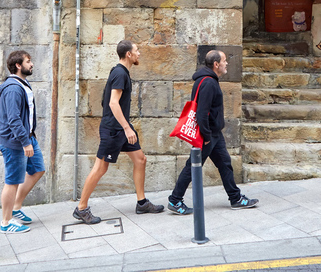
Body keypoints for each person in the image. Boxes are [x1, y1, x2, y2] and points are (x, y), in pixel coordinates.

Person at [73, 40, 165, 224]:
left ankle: (142, 202)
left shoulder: (121, 72)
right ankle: (81, 208)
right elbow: (112, 103)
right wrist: (126, 127)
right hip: (114, 130)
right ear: (128, 54)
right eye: (137, 50)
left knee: (140, 159)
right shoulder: (119, 73)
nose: (139, 53)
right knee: (100, 168)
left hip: (121, 128)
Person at [168, 50, 258, 214]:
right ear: (216, 64)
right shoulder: (208, 82)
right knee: (192, 167)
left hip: (214, 134)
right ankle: (175, 200)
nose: (227, 64)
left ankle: (235, 198)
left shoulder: (207, 80)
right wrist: (207, 136)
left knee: (225, 164)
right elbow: (202, 113)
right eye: (224, 61)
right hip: (208, 135)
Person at [0, 50, 46, 233]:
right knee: (12, 181)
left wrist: (29, 138)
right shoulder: (13, 89)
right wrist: (25, 142)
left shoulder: (22, 84)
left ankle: (15, 208)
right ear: (18, 65)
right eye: (28, 61)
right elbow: (14, 120)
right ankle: (6, 222)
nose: (31, 64)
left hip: (28, 138)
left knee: (38, 169)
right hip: (15, 142)